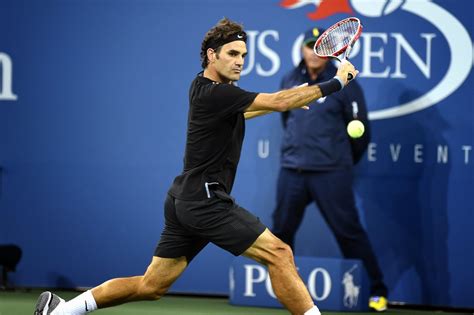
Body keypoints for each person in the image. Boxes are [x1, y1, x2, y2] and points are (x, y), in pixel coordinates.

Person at [34, 18, 358, 315]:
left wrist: (302, 94)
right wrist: (337, 83)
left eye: (243, 54)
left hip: (183, 199)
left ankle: (60, 311)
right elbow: (276, 102)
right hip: (205, 201)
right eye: (232, 54)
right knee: (279, 253)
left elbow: (252, 110)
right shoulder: (217, 94)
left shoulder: (205, 88)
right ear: (211, 55)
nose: (240, 61)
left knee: (152, 286)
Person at [270, 27, 388, 312]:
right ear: (302, 49)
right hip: (292, 170)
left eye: (318, 47)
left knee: (348, 232)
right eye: (308, 46)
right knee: (280, 234)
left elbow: (361, 133)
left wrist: (338, 160)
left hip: (331, 172)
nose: (312, 52)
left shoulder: (345, 83)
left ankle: (377, 291)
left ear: (327, 53)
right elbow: (288, 120)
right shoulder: (289, 78)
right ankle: (285, 292)